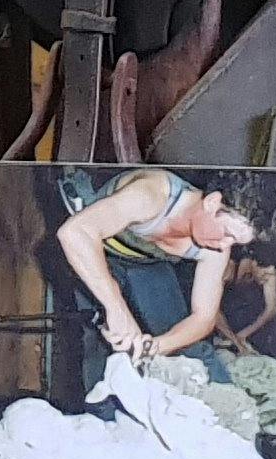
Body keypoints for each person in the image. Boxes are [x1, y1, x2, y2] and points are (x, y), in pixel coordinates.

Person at [52, 167, 261, 392]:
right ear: (212, 203)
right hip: (94, 250)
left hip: (146, 264)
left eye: (235, 242)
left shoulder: (217, 249)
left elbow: (204, 318)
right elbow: (74, 232)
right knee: (103, 349)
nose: (224, 246)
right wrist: (116, 308)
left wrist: (155, 346)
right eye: (227, 233)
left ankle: (231, 411)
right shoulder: (153, 195)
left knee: (192, 349)